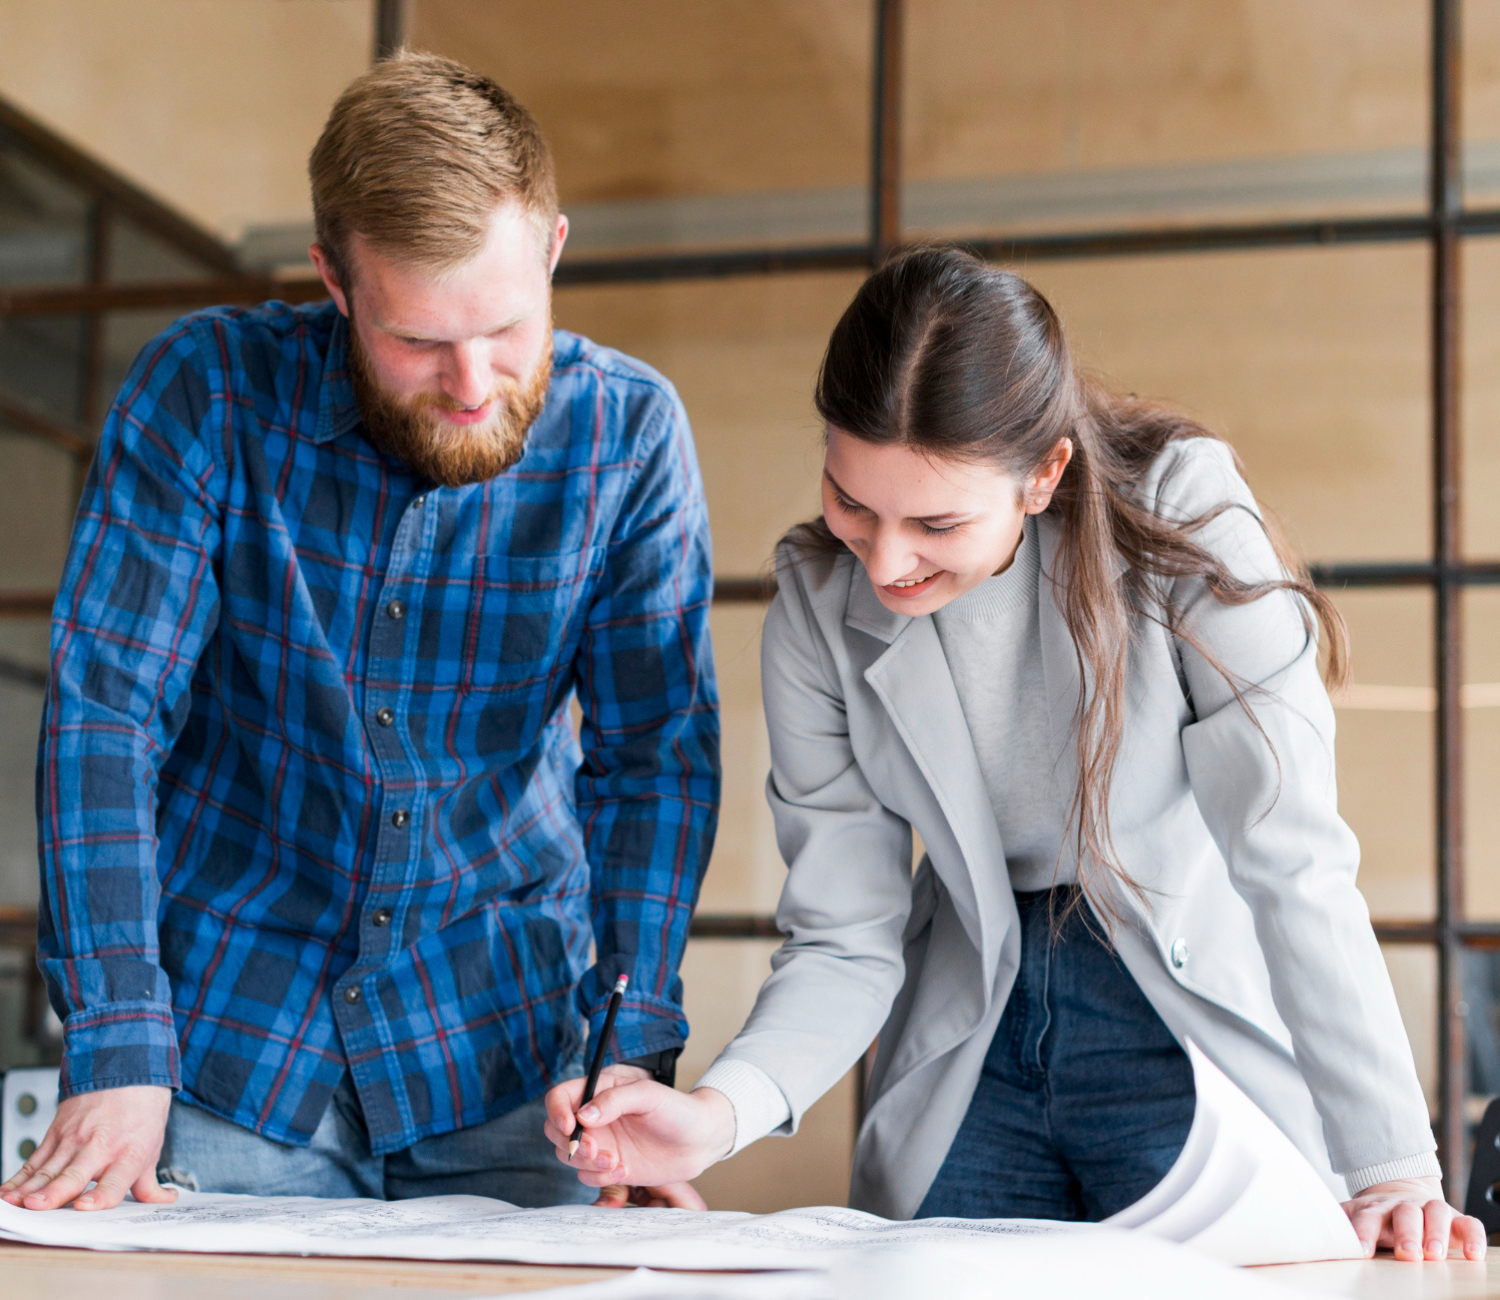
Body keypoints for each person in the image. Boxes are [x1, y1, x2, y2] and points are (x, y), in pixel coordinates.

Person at [544, 246, 1487, 1262]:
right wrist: (720, 1113)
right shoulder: (816, 602)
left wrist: (1393, 1162)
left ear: (1045, 474)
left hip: (1179, 1028)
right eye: (852, 503)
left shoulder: (1182, 509)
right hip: (972, 1034)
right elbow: (845, 934)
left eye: (937, 521)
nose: (888, 561)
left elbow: (1289, 856)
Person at [2, 52, 718, 1214]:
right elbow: (105, 715)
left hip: (500, 1047)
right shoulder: (207, 394)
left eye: (504, 327)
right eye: (418, 341)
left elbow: (653, 763)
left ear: (552, 248)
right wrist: (120, 1038)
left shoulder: (628, 435)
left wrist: (629, 1054)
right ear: (334, 283)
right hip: (232, 1037)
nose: (475, 382)